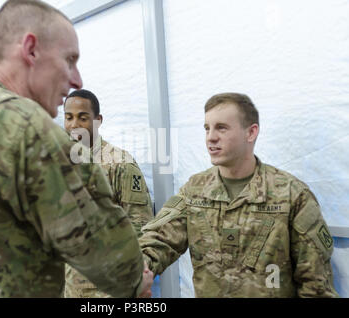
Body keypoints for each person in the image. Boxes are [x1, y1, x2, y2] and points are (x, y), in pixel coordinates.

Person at [0, 0, 153, 298]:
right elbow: (114, 261)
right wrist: (137, 283)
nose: (76, 79)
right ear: (31, 49)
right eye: (69, 60)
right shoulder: (30, 132)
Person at [139, 92, 339, 297]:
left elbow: (316, 284)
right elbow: (158, 241)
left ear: (251, 133)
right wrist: (138, 273)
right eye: (207, 128)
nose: (211, 137)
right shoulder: (195, 190)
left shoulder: (290, 194)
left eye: (221, 128)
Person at [63, 89, 154, 297]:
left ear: (98, 120)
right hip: (70, 287)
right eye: (69, 117)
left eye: (82, 117)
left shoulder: (120, 163)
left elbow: (142, 229)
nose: (74, 124)